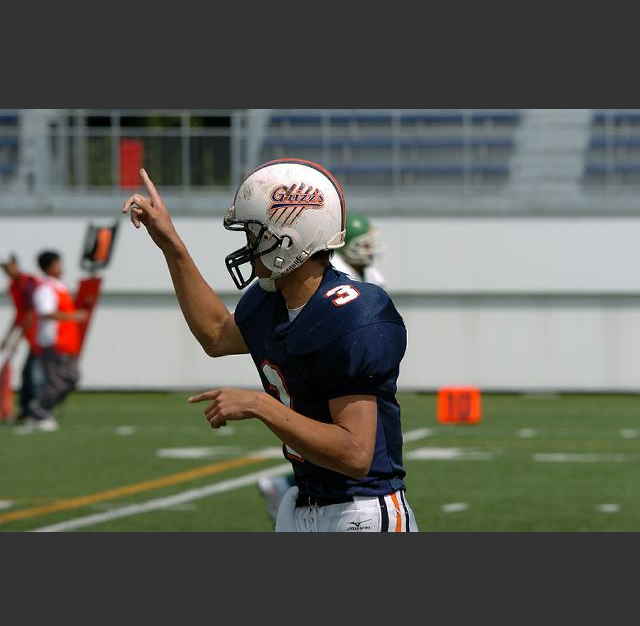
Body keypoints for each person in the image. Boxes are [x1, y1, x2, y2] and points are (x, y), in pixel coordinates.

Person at [123, 161, 418, 532]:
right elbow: (216, 334)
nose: (248, 245)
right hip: (304, 504)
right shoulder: (269, 300)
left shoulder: (353, 312)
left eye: (255, 234)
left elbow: (356, 455)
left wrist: (260, 405)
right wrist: (171, 244)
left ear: (290, 238)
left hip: (361, 510)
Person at [257, 212, 387, 521]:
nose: (369, 250)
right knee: (342, 442)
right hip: (329, 367)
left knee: (354, 442)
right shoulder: (333, 277)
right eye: (362, 243)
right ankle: (285, 484)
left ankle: (286, 485)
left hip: (355, 362)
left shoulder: (369, 275)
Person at [24, 251, 87, 432]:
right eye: (58, 264)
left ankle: (40, 408)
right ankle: (40, 413)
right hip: (53, 341)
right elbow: (45, 312)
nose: (61, 267)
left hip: (67, 342)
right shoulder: (45, 288)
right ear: (49, 267)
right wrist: (74, 316)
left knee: (71, 378)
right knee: (55, 382)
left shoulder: (59, 286)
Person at [0, 251, 41, 424]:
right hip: (28, 332)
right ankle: (20, 411)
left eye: (8, 267)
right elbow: (19, 314)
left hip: (39, 332)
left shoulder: (28, 283)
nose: (6, 272)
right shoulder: (13, 286)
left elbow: (31, 313)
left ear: (15, 264)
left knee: (32, 372)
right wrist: (8, 337)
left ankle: (34, 410)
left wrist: (16, 339)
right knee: (25, 372)